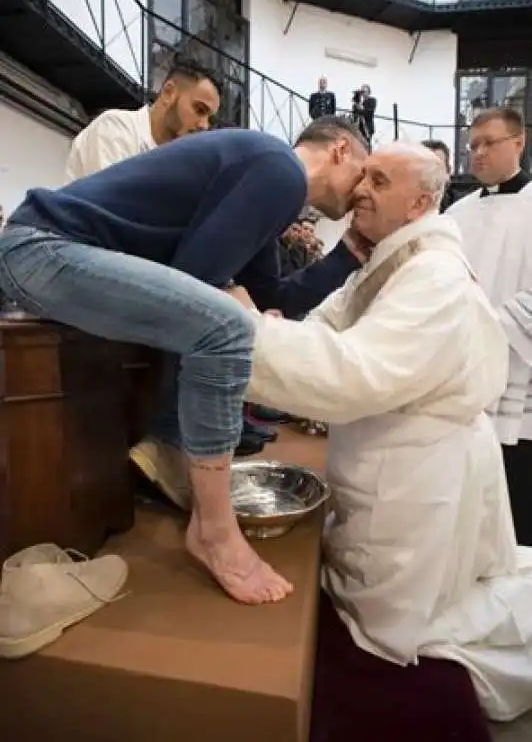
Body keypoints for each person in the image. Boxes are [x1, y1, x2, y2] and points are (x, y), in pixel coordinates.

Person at [226, 142, 532, 738]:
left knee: (394, 625)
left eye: (379, 180)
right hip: (390, 453)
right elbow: (326, 324)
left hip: (416, 471)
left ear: (419, 202)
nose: (360, 188)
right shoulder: (392, 260)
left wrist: (243, 333)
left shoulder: (434, 277)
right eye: (363, 174)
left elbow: (354, 373)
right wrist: (272, 330)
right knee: (373, 592)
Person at [0, 118, 367, 606]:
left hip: (48, 253)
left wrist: (349, 253)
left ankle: (171, 449)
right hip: (41, 250)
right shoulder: (280, 170)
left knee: (226, 319)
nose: (366, 194)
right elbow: (197, 276)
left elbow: (273, 293)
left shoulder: (271, 179)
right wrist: (231, 295)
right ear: (341, 150)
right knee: (226, 327)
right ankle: (214, 531)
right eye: (370, 174)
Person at [447, 107, 532, 545]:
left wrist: (489, 325)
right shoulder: (457, 213)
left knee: (517, 500)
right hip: (464, 370)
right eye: (472, 146)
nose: (477, 154)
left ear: (519, 142)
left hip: (518, 370)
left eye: (488, 143)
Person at [65, 57, 221, 181]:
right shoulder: (115, 127)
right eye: (199, 110)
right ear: (169, 93)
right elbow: (111, 209)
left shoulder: (180, 164)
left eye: (210, 119)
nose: (204, 125)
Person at [421, 138, 460, 211]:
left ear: (448, 172)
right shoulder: (400, 209)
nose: (431, 173)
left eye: (437, 167)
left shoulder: (461, 207)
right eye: (426, 167)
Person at [352, 84, 376, 148]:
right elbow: (354, 112)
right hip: (358, 127)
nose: (362, 93)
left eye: (364, 91)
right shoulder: (358, 102)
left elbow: (368, 112)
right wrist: (357, 103)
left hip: (367, 127)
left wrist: (360, 108)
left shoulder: (372, 100)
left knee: (366, 145)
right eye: (361, 91)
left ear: (368, 92)